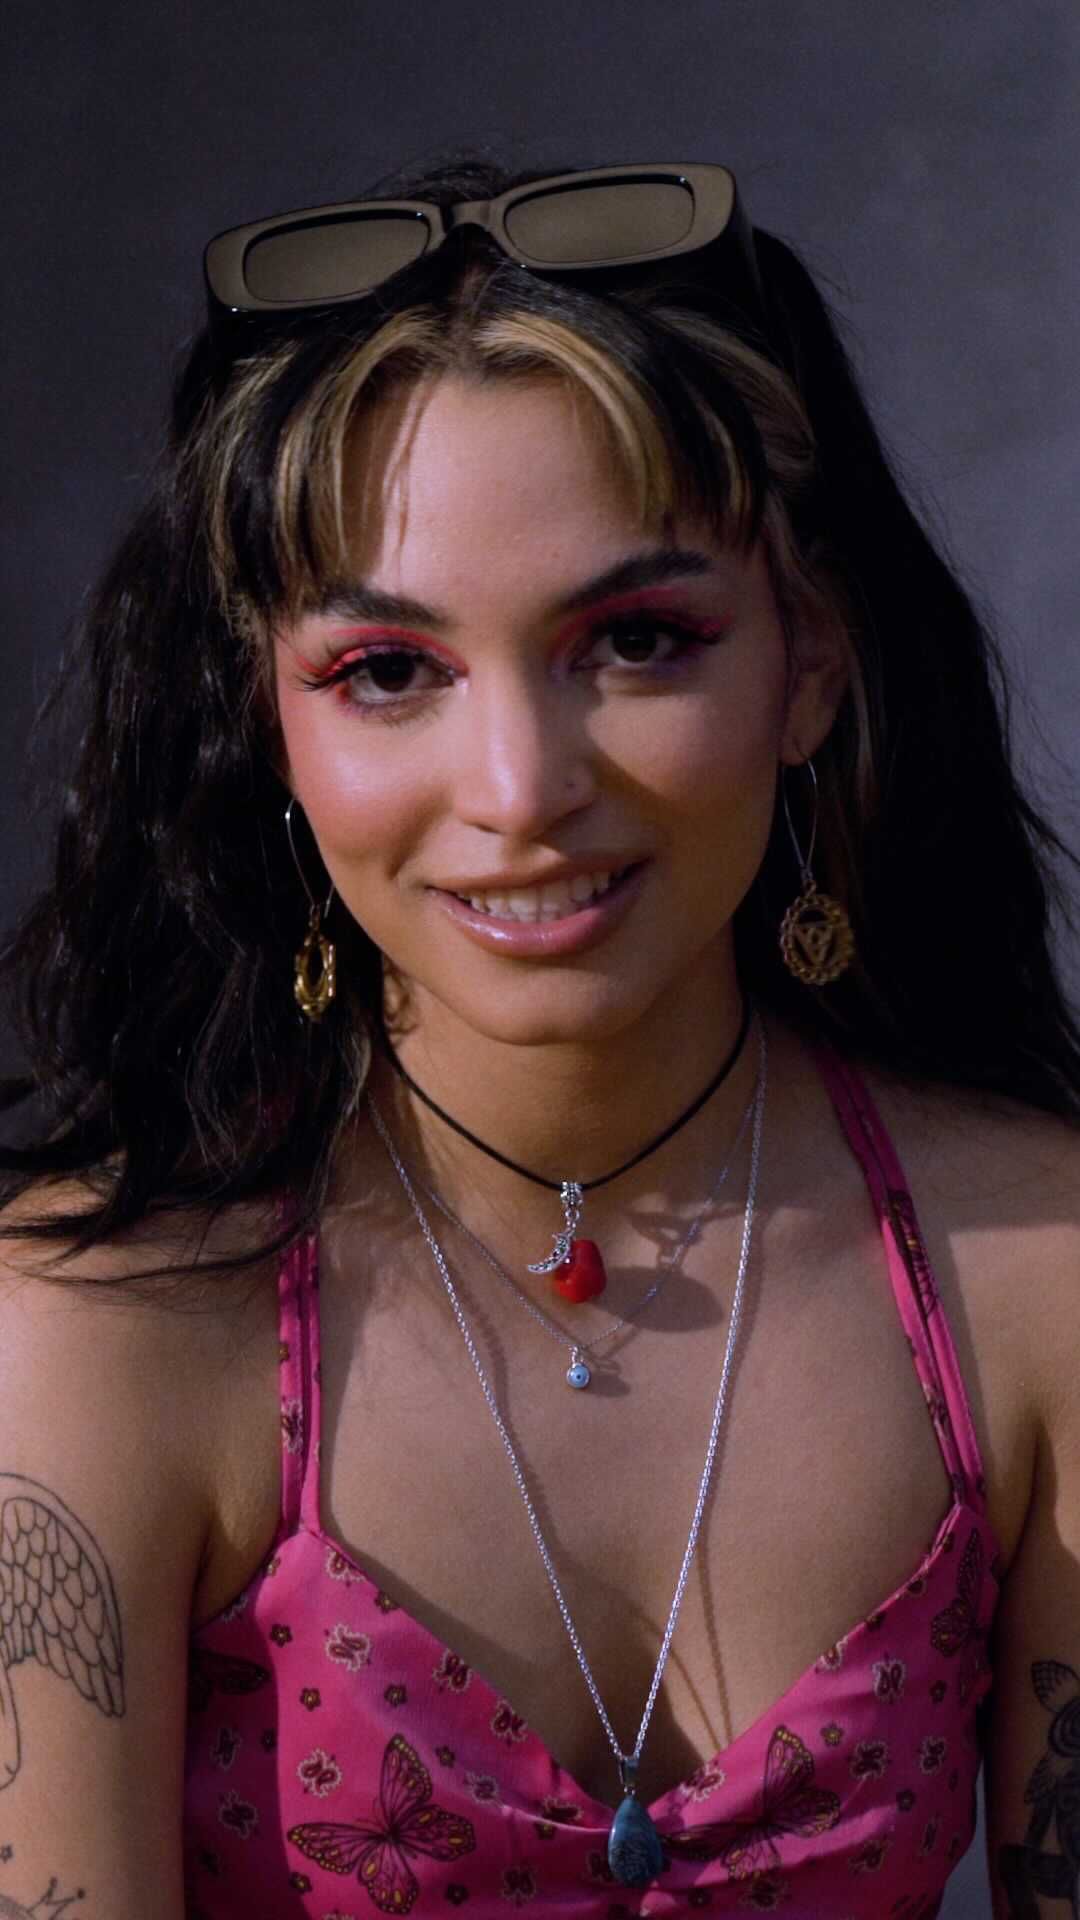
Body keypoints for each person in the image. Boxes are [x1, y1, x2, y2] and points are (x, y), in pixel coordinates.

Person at [0, 154, 1077, 1920]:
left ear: (809, 660)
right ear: (265, 721)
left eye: (637, 641)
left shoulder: (1042, 1279)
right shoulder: (94, 1332)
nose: (521, 790)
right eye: (387, 671)